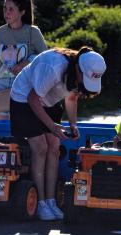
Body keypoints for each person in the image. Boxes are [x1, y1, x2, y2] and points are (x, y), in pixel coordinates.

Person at [10, 46, 107, 220]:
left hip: (48, 101)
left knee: (54, 147)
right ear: (78, 68)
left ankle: (51, 200)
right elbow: (33, 98)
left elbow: (70, 98)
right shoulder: (54, 67)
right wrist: (52, 127)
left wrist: (73, 125)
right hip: (24, 98)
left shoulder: (79, 71)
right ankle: (40, 202)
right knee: (40, 147)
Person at [0, 0, 47, 120]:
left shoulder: (33, 32)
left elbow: (45, 58)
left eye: (11, 9)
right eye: (5, 8)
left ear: (22, 12)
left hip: (24, 91)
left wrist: (28, 61)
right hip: (0, 91)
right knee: (3, 135)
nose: (6, 12)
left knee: (23, 135)